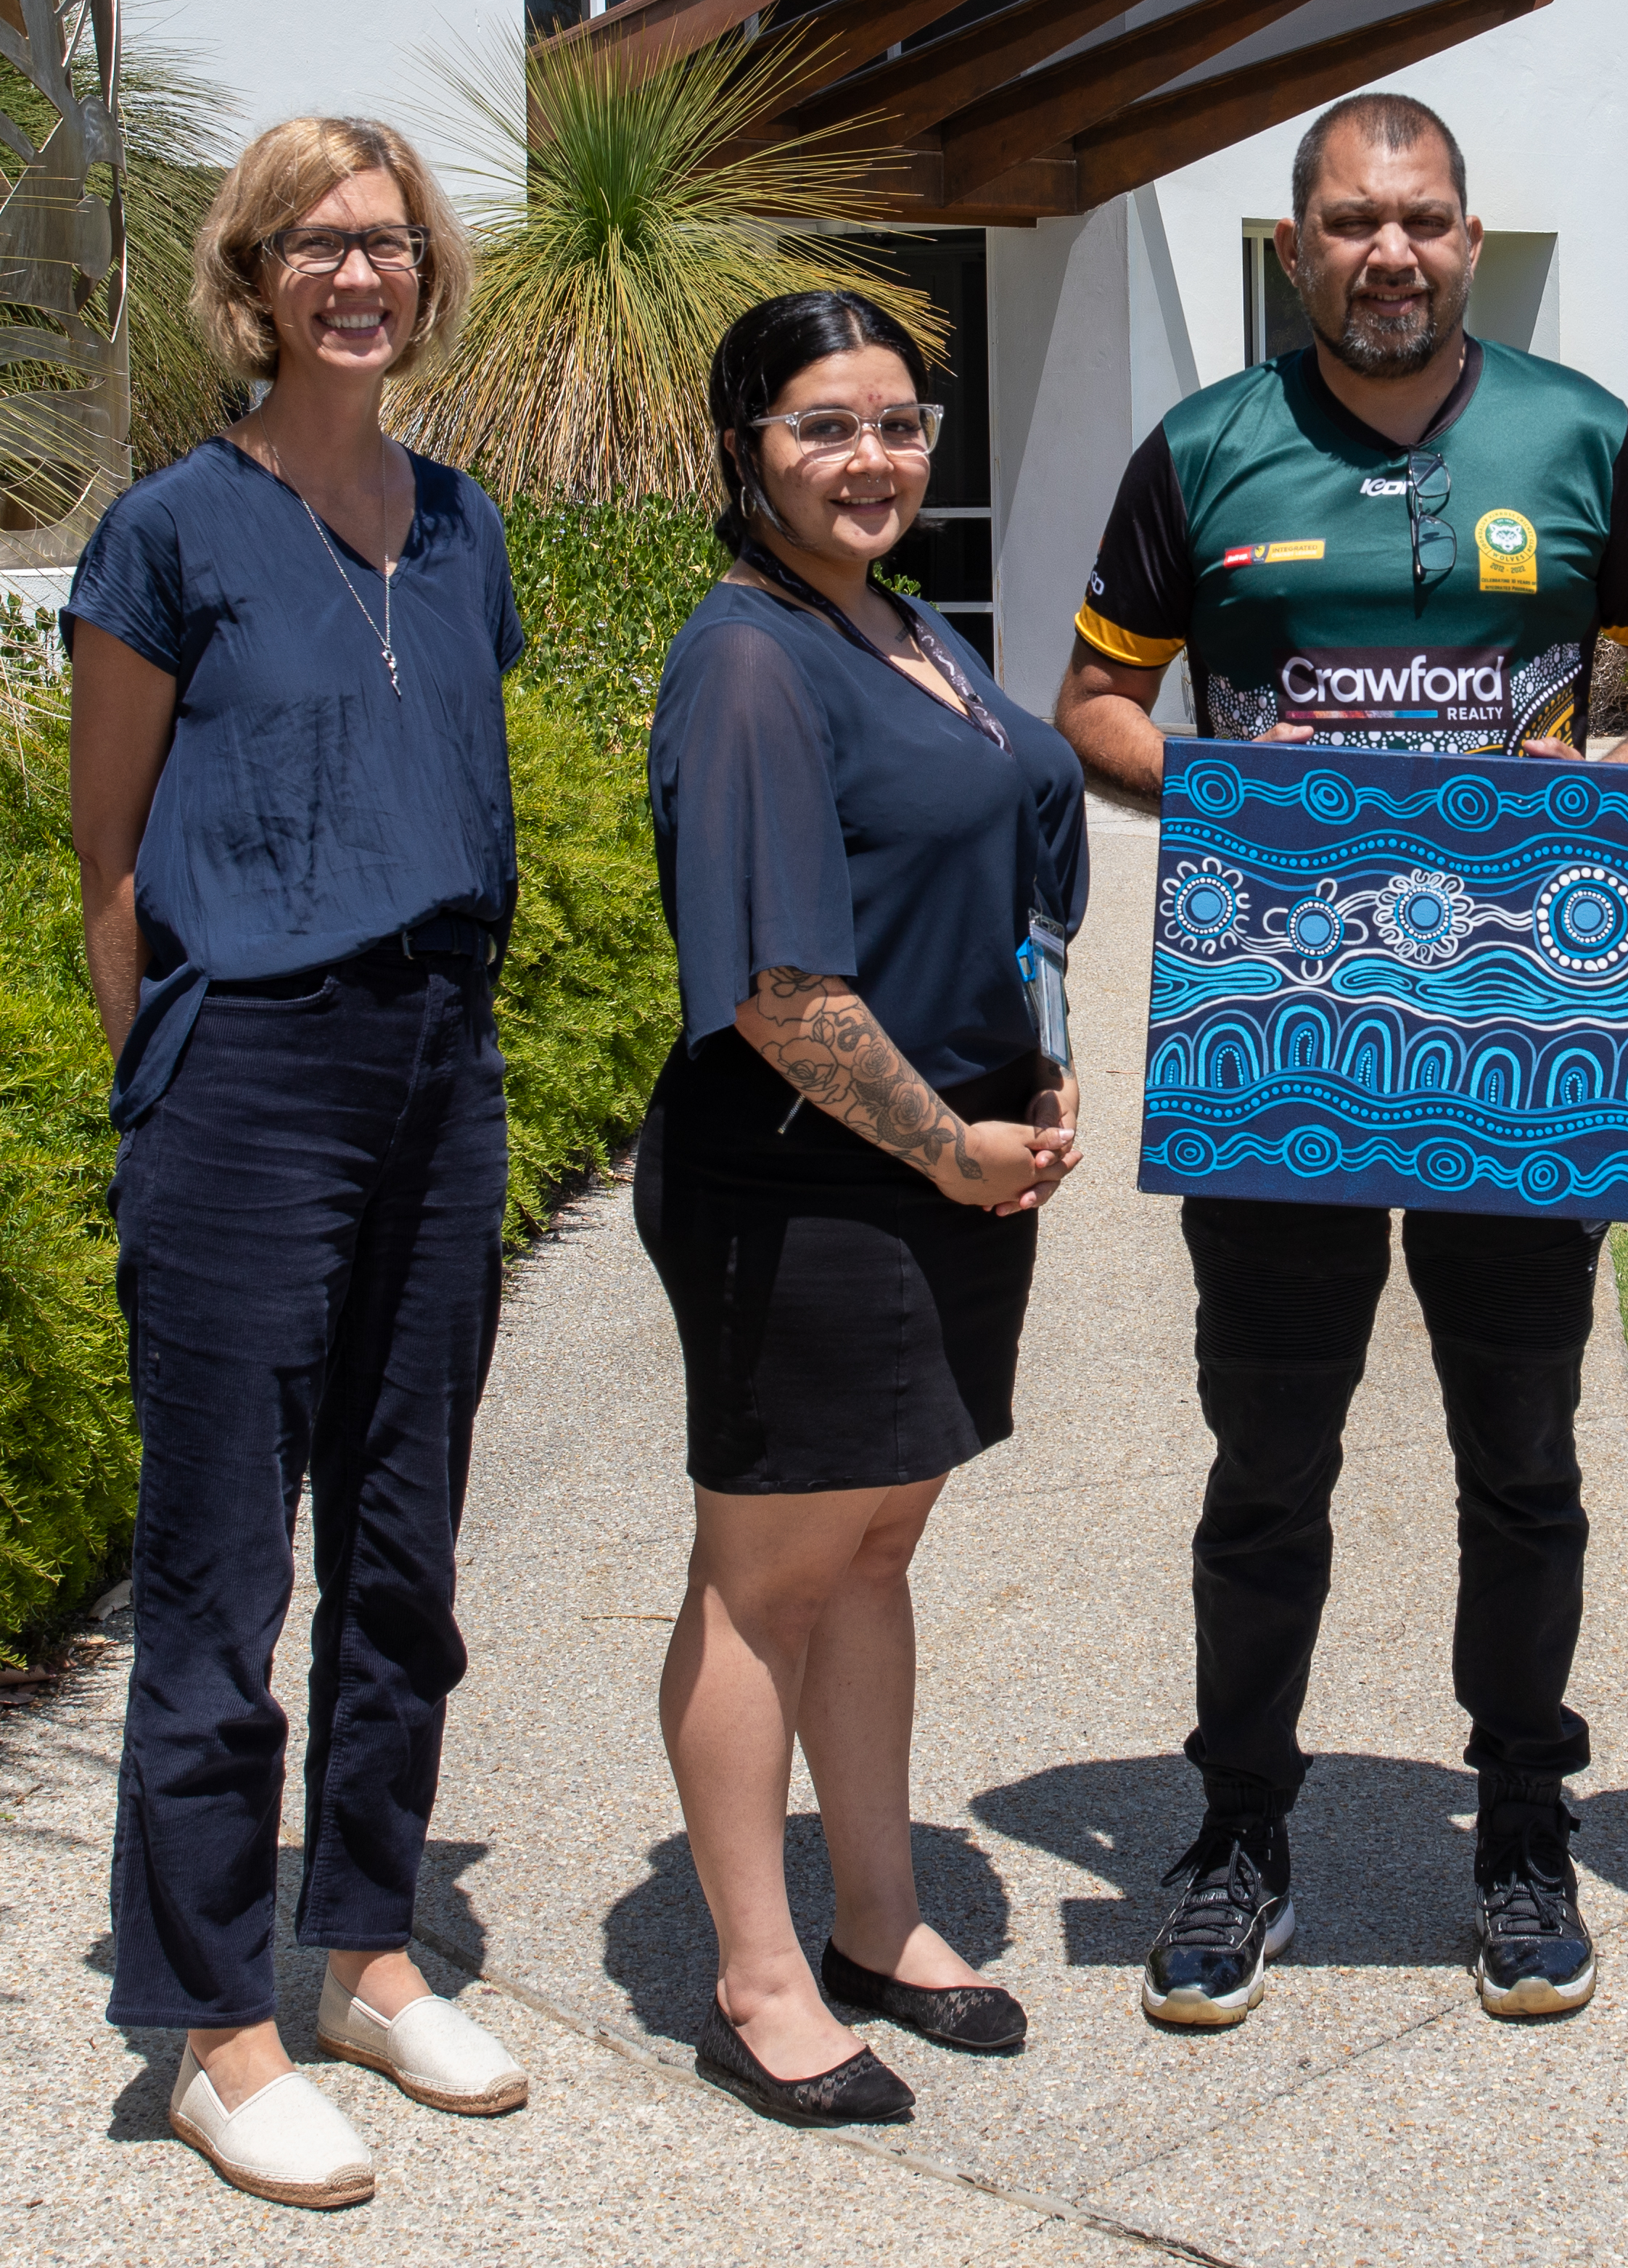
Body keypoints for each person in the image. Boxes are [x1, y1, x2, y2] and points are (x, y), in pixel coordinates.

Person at [1052, 91, 1628, 2031]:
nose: (1391, 253)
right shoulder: (1206, 451)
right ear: (1295, 249)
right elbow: (1096, 697)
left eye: (1423, 219)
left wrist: (1616, 780)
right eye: (1351, 222)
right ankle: (1236, 1837)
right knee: (1270, 1461)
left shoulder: (1581, 436)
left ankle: (1521, 1837)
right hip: (1285, 1021)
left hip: (1528, 1017)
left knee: (1523, 1462)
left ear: (1470, 235)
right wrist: (1251, 807)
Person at [65, 115, 538, 2214]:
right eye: (320, 246)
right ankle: (214, 2031)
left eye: (394, 241)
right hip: (248, 1074)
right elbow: (105, 863)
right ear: (251, 283)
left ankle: (359, 1951)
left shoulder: (462, 528)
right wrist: (167, 1089)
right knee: (218, 1574)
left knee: (408, 1548)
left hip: (443, 1061)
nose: (365, 273)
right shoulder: (169, 532)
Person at [639, 290, 1090, 2127]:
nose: (872, 457)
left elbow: (1010, 862)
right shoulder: (750, 655)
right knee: (765, 1583)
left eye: (898, 422)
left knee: (876, 1553)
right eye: (824, 424)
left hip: (952, 1171)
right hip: (809, 1182)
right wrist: (951, 1147)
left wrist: (1038, 1069)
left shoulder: (906, 626)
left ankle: (881, 1919)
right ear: (744, 444)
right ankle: (757, 1975)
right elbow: (778, 986)